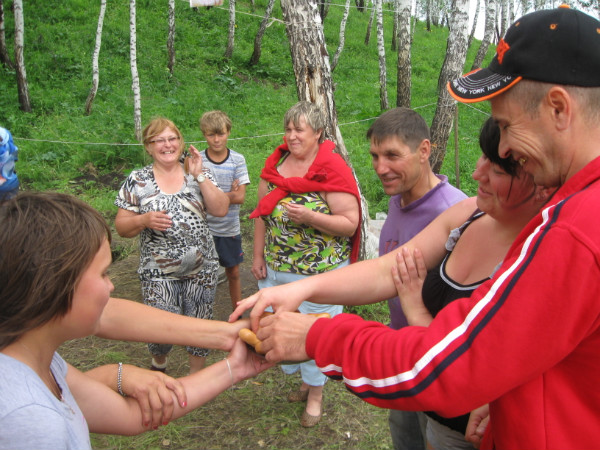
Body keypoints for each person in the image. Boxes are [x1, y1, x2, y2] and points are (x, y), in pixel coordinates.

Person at [231, 6, 600, 449]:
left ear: (558, 108)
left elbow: (453, 363)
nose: (501, 148)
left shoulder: (574, 228)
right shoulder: (556, 212)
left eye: (505, 125)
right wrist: (303, 290)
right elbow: (394, 271)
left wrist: (316, 335)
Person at [0, 191, 272, 450]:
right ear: (53, 288)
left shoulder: (42, 363)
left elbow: (128, 415)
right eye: (103, 273)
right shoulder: (30, 420)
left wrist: (235, 365)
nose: (111, 286)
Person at [392, 117, 550, 450]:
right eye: (483, 157)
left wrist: (416, 312)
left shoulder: (541, 257)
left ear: (543, 182)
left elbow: (471, 362)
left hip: (473, 430)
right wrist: (302, 290)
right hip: (436, 409)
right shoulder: (470, 214)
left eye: (498, 170)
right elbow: (386, 269)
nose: (477, 173)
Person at [250, 101, 361, 427]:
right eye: (288, 129)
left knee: (315, 334)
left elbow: (350, 223)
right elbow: (261, 214)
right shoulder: (276, 164)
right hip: (277, 271)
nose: (292, 136)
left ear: (318, 133)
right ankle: (304, 382)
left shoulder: (331, 168)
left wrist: (311, 217)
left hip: (319, 277)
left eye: (299, 129)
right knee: (284, 331)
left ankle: (315, 395)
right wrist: (257, 256)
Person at [368, 108, 467, 450]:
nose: (380, 167)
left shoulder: (452, 213)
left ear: (424, 150)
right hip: (402, 353)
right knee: (404, 436)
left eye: (392, 155)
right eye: (375, 156)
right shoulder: (398, 199)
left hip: (439, 364)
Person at [115, 117, 229, 374]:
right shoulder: (138, 179)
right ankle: (159, 362)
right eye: (159, 140)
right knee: (159, 327)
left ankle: (196, 376)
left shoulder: (197, 172)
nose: (167, 145)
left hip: (202, 268)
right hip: (158, 270)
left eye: (172, 139)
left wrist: (200, 176)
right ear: (148, 146)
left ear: (181, 142)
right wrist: (143, 220)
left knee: (200, 324)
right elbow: (121, 227)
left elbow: (221, 209)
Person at [198, 110, 250, 311]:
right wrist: (229, 194)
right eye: (211, 135)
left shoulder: (237, 160)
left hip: (228, 227)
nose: (216, 139)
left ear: (228, 132)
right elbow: (195, 198)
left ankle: (238, 312)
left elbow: (241, 197)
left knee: (233, 272)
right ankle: (201, 313)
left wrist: (211, 197)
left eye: (220, 134)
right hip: (203, 229)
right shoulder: (198, 161)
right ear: (204, 134)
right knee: (202, 274)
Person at [0, 127, 19, 200]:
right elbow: (14, 154)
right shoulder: (5, 133)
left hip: (4, 186)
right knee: (11, 206)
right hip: (11, 182)